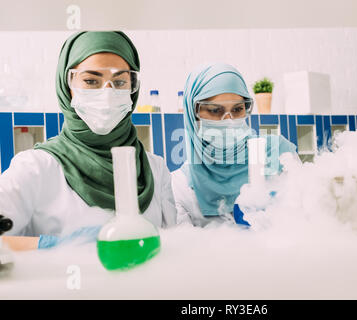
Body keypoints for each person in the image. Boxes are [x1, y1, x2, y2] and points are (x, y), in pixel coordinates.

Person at [0, 31, 177, 250]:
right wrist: (52, 247)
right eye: (91, 81)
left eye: (120, 81)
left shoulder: (155, 168)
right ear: (67, 87)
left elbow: (173, 246)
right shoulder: (35, 167)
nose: (107, 93)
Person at [171, 62, 298, 227]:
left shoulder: (279, 154)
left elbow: (308, 220)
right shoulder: (180, 187)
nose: (229, 121)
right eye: (215, 110)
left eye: (238, 109)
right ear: (192, 114)